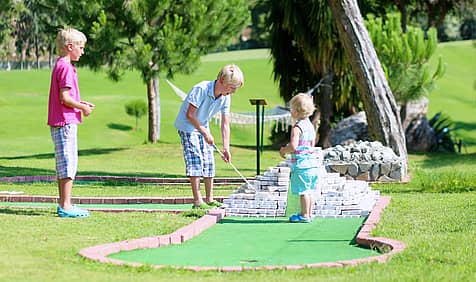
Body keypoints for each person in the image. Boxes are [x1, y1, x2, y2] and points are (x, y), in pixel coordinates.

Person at [175, 64, 244, 209]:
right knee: (196, 160)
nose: (234, 91)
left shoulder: (226, 97)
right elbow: (190, 115)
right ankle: (197, 201)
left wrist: (226, 148)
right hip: (187, 125)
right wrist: (205, 132)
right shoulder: (201, 89)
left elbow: (225, 124)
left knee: (208, 160)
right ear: (222, 80)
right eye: (232, 87)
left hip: (202, 125)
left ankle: (209, 199)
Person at [47, 28, 95, 218]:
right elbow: (64, 98)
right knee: (68, 163)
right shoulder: (66, 67)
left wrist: (80, 103)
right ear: (70, 47)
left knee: (64, 163)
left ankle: (64, 203)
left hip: (61, 121)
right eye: (81, 47)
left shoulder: (60, 65)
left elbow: (66, 97)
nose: (82, 51)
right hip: (65, 123)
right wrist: (82, 108)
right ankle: (66, 205)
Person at [280, 93, 319, 223]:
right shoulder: (310, 126)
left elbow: (294, 146)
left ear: (296, 111)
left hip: (302, 165)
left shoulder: (297, 128)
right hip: (313, 164)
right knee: (309, 190)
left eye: (291, 109)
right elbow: (312, 145)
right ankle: (309, 213)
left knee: (303, 191)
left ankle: (304, 215)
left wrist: (284, 150)